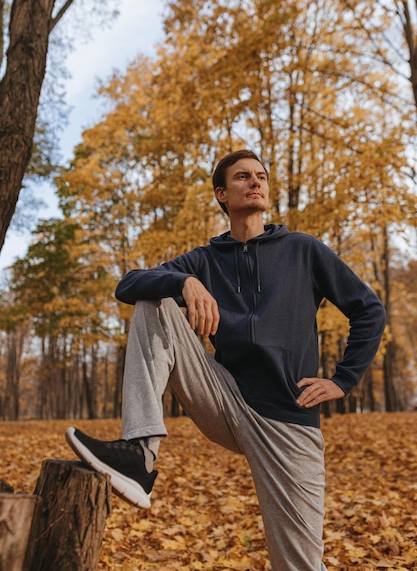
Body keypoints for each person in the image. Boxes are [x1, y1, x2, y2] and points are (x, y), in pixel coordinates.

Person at [65, 149, 386, 571]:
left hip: (289, 416)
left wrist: (343, 380)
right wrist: (185, 281)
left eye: (261, 176)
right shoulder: (205, 259)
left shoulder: (303, 250)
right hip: (226, 398)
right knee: (151, 303)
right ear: (222, 194)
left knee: (301, 564)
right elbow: (128, 284)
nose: (255, 182)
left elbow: (370, 310)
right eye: (242, 177)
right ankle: (141, 454)